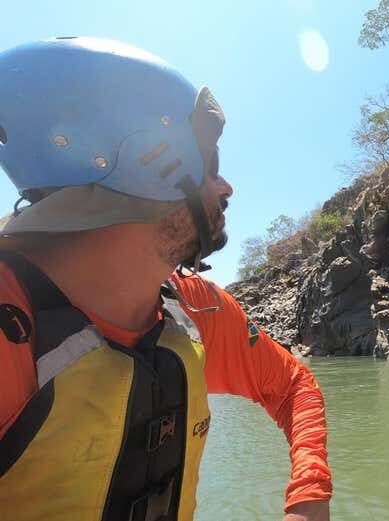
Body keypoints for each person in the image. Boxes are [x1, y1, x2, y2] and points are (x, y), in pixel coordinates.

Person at [0, 37, 331, 521]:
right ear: (153, 162)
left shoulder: (196, 308)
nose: (226, 186)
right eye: (210, 166)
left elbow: (293, 385)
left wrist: (308, 496)